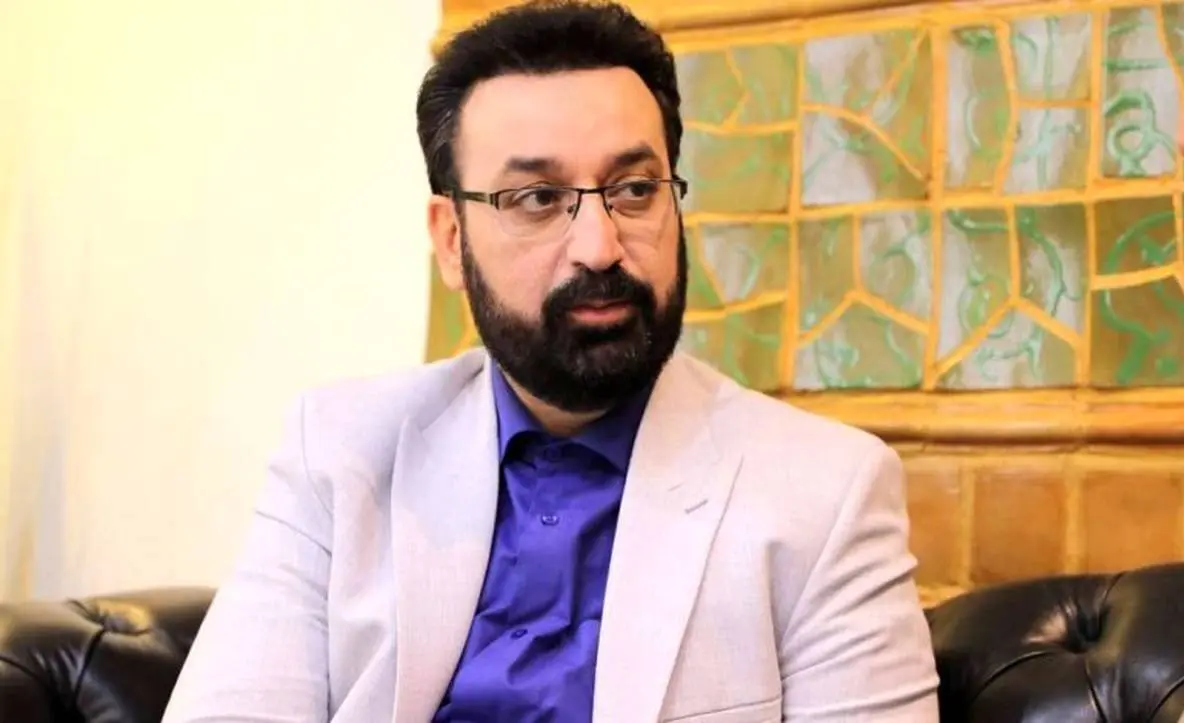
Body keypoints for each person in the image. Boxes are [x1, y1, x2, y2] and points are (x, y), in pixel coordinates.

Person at [162, 1, 939, 721]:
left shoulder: (825, 493)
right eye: (536, 199)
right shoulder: (338, 452)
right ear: (452, 241)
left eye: (634, 189)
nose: (600, 246)